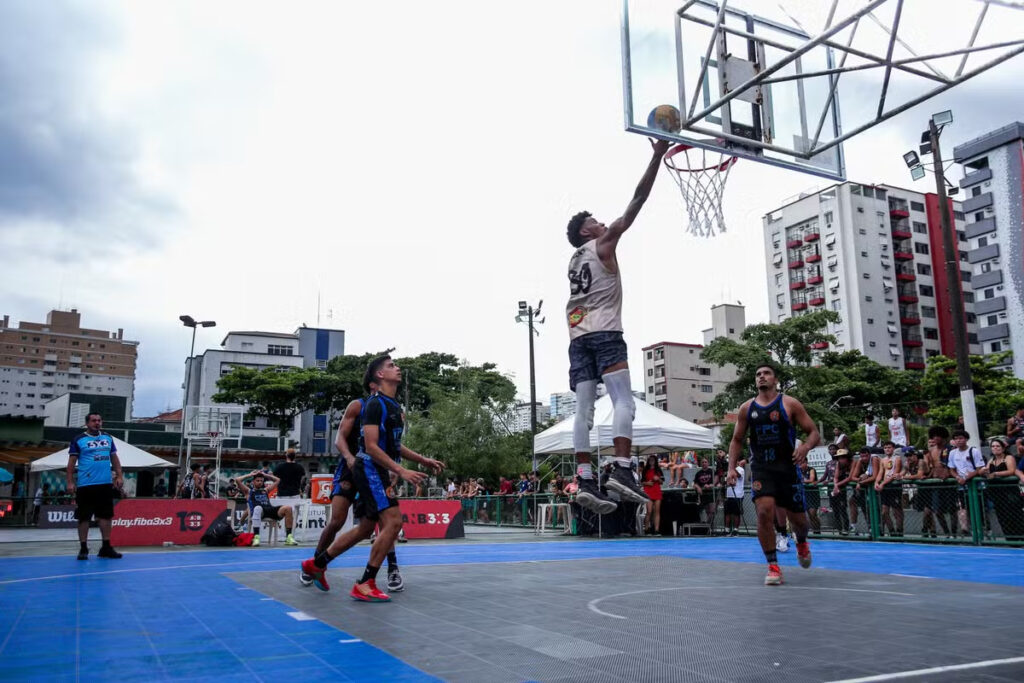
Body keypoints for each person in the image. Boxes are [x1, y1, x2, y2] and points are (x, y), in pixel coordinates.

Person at [565, 139, 670, 515]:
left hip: (578, 338)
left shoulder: (574, 261)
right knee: (625, 401)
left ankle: (585, 476)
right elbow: (637, 201)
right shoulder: (603, 244)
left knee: (583, 411)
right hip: (606, 332)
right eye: (594, 221)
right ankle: (623, 470)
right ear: (586, 232)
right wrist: (656, 157)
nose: (601, 221)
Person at [301, 355, 444, 602]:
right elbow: (370, 446)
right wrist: (401, 471)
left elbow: (394, 446)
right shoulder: (374, 405)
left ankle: (318, 564)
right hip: (368, 468)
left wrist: (423, 460)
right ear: (379, 376)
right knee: (393, 521)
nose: (397, 368)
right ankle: (366, 582)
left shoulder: (395, 407)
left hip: (375, 469)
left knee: (367, 527)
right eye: (391, 366)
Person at [728, 363, 820, 586]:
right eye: (758, 374)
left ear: (775, 379)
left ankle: (802, 542)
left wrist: (805, 448)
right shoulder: (747, 408)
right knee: (763, 512)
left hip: (787, 467)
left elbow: (813, 432)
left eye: (766, 373)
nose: (762, 377)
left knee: (799, 520)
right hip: (762, 468)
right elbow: (737, 439)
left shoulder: (789, 404)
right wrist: (731, 467)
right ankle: (773, 565)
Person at [66, 413, 123, 560]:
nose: (97, 423)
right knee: (84, 517)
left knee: (106, 516)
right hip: (86, 484)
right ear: (87, 423)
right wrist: (70, 482)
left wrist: (119, 475)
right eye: (93, 421)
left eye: (99, 420)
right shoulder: (79, 440)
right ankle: (83, 548)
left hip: (105, 484)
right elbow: (71, 463)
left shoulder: (108, 438)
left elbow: (114, 459)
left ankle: (106, 547)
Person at [236, 470, 298, 546]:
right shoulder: (248, 491)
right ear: (253, 482)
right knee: (258, 508)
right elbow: (237, 480)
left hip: (270, 510)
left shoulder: (265, 490)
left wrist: (265, 475)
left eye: (261, 481)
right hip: (259, 512)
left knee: (288, 508)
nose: (259, 482)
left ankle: (289, 537)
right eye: (257, 480)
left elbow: (277, 480)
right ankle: (256, 537)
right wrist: (250, 474)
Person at [947, 429, 986, 538]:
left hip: (975, 485)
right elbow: (951, 469)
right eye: (956, 439)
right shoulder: (952, 453)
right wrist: (958, 477)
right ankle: (966, 530)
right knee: (962, 507)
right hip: (961, 486)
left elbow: (979, 468)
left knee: (979, 508)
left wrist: (968, 477)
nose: (958, 441)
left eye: (961, 438)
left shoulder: (974, 451)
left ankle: (983, 530)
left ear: (966, 439)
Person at [985, 438, 1024, 541]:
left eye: (997, 446)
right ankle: (1010, 539)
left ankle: (1020, 536)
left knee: (1015, 514)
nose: (995, 448)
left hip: (1009, 492)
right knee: (1002, 516)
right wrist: (983, 472)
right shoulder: (991, 460)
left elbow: (1011, 470)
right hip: (996, 493)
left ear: (1003, 448)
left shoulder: (1009, 457)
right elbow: (986, 471)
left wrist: (996, 474)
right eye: (993, 446)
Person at [898, 447, 934, 537]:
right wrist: (897, 475)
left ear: (915, 455)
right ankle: (932, 531)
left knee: (928, 511)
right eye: (907, 456)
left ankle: (925, 529)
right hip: (921, 489)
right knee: (927, 512)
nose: (908, 458)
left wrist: (903, 477)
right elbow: (901, 473)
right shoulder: (907, 464)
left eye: (910, 455)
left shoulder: (921, 462)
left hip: (931, 487)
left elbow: (919, 475)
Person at [874, 441, 903, 537]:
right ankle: (892, 532)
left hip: (894, 486)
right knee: (884, 512)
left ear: (893, 448)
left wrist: (882, 483)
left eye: (889, 447)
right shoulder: (883, 460)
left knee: (897, 511)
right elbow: (880, 472)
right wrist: (877, 482)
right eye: (885, 447)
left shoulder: (897, 459)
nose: (887, 449)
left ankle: (899, 531)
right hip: (885, 487)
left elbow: (895, 473)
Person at [848, 447, 880, 534]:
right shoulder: (860, 461)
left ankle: (876, 528)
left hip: (876, 488)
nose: (864, 458)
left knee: (872, 507)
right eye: (862, 456)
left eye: (866, 456)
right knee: (853, 501)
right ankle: (853, 525)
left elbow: (874, 476)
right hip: (864, 488)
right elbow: (853, 477)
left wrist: (861, 482)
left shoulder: (874, 459)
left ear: (869, 455)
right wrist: (860, 480)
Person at [723, 458, 746, 537]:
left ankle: (736, 530)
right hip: (729, 494)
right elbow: (725, 480)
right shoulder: (728, 470)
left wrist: (733, 469)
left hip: (738, 495)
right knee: (727, 513)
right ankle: (727, 530)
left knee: (736, 513)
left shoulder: (740, 469)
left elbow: (739, 476)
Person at [641, 455, 663, 535]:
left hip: (657, 491)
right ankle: (646, 529)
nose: (651, 461)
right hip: (648, 491)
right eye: (650, 460)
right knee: (649, 511)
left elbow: (662, 481)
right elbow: (642, 482)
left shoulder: (658, 469)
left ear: (655, 460)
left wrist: (658, 479)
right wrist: (647, 483)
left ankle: (656, 530)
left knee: (657, 512)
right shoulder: (645, 470)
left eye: (653, 459)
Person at [692, 458, 716, 531]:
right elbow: (694, 483)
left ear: (708, 463)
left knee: (712, 511)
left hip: (711, 494)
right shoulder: (698, 473)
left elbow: (716, 482)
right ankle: (708, 528)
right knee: (707, 511)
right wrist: (698, 487)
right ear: (701, 464)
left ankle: (710, 526)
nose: (704, 463)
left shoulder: (712, 471)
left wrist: (710, 485)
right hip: (703, 495)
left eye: (705, 462)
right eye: (703, 462)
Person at [800, 462, 821, 534]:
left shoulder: (811, 469)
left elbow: (811, 480)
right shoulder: (799, 471)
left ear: (806, 463)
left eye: (802, 463)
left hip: (813, 494)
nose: (800, 464)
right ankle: (815, 531)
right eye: (799, 463)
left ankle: (818, 531)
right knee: (809, 515)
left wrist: (802, 481)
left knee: (813, 514)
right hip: (805, 494)